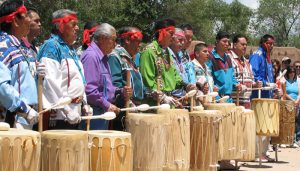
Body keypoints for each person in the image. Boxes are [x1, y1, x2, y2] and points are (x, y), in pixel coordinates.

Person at [37, 9, 91, 130]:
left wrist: (84, 104)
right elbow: (50, 83)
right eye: (73, 24)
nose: (77, 28)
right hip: (59, 116)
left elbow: (78, 79)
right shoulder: (51, 46)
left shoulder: (70, 49)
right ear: (61, 26)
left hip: (74, 113)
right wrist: (66, 110)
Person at [0, 0, 43, 128]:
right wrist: (24, 108)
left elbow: (22, 82)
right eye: (26, 16)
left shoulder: (20, 47)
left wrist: (38, 75)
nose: (30, 20)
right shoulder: (3, 46)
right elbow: (1, 86)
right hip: (11, 120)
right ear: (15, 21)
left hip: (25, 117)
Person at [81, 23, 132, 130]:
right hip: (94, 114)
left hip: (101, 112)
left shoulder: (103, 58)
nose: (115, 44)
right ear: (103, 38)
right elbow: (90, 91)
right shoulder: (91, 56)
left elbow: (107, 87)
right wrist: (107, 105)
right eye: (113, 39)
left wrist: (120, 91)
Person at [140, 18, 182, 107]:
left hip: (169, 101)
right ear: (162, 32)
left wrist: (187, 86)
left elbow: (175, 76)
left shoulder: (167, 52)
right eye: (171, 33)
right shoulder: (149, 52)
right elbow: (147, 82)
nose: (174, 37)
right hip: (155, 105)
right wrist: (163, 97)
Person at [108, 26, 143, 130]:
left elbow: (137, 84)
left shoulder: (130, 58)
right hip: (122, 111)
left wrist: (151, 93)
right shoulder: (115, 56)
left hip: (134, 108)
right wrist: (128, 102)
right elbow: (114, 85)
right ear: (127, 40)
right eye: (137, 41)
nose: (140, 44)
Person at [249, 34, 276, 162]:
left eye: (272, 44)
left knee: (267, 124)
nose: (271, 46)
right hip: (258, 95)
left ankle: (264, 152)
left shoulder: (267, 57)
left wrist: (273, 85)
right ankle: (256, 153)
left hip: (267, 95)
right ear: (263, 42)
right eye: (269, 43)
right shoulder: (257, 55)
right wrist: (265, 83)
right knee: (259, 124)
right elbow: (253, 74)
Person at [207, 31, 241, 104]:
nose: (227, 44)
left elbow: (232, 77)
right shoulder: (210, 58)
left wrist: (236, 84)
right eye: (224, 41)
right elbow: (208, 77)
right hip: (216, 99)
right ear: (217, 41)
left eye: (228, 42)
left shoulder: (228, 58)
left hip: (229, 98)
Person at [229, 34, 261, 109]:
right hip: (233, 103)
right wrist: (236, 86)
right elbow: (227, 80)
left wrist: (255, 84)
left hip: (246, 103)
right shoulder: (228, 59)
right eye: (242, 44)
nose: (245, 46)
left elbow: (251, 82)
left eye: (246, 45)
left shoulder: (247, 63)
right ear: (235, 45)